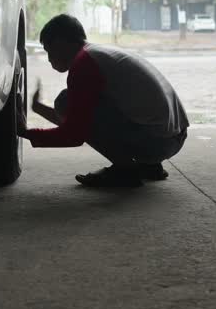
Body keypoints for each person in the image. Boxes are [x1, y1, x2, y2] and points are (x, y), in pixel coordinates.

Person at [18, 14, 189, 187]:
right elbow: (78, 122)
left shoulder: (84, 63)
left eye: (49, 50)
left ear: (61, 43)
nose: (48, 59)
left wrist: (26, 133)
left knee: (65, 101)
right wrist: (39, 109)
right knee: (73, 103)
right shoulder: (97, 53)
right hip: (173, 137)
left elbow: (75, 134)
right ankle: (148, 166)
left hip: (156, 143)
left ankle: (126, 170)